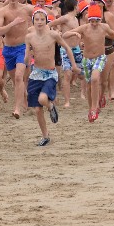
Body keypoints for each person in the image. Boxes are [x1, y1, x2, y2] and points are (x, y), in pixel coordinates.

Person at [24, 9, 76, 147]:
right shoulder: (29, 37)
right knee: (37, 109)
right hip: (36, 74)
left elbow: (67, 48)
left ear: (46, 21)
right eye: (37, 19)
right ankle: (45, 136)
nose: (39, 22)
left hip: (50, 73)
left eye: (42, 19)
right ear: (33, 22)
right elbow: (26, 56)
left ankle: (51, 106)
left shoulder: (53, 35)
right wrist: (27, 58)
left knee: (43, 99)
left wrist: (74, 65)